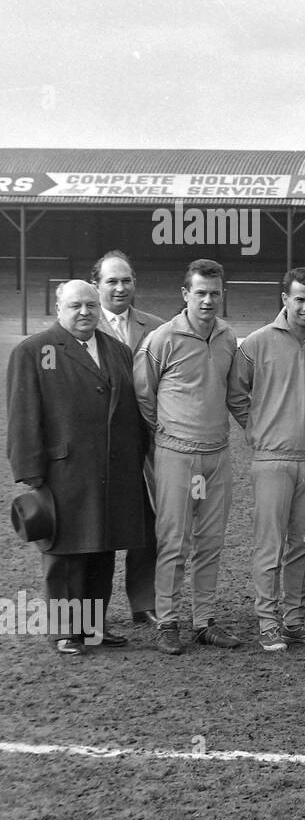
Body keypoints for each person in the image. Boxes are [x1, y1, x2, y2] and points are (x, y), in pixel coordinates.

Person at [7, 280, 151, 654]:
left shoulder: (118, 350)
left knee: (102, 549)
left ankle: (92, 627)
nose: (84, 312)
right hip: (62, 473)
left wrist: (137, 458)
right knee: (65, 554)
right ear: (59, 309)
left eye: (90, 304)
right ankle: (64, 631)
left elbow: (132, 412)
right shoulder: (36, 351)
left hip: (113, 471)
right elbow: (23, 417)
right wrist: (31, 473)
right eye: (75, 306)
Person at [230, 268, 305, 651]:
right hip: (271, 459)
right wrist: (256, 430)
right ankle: (267, 621)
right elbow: (236, 394)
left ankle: (294, 619)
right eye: (299, 299)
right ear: (284, 299)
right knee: (270, 545)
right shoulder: (257, 343)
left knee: (303, 544)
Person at [134, 258, 243, 655]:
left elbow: (234, 395)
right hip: (176, 456)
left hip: (217, 456)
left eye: (215, 293)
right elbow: (144, 398)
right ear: (185, 294)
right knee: (174, 542)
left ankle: (204, 620)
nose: (208, 300)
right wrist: (166, 436)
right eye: (200, 292)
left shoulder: (229, 337)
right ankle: (168, 620)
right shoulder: (162, 339)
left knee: (211, 541)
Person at [92, 249, 164, 632]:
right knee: (97, 524)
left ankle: (143, 602)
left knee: (149, 522)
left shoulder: (156, 327)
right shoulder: (83, 327)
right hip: (101, 447)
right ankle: (93, 611)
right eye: (112, 281)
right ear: (96, 286)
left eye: (126, 280)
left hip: (148, 442)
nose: (120, 288)